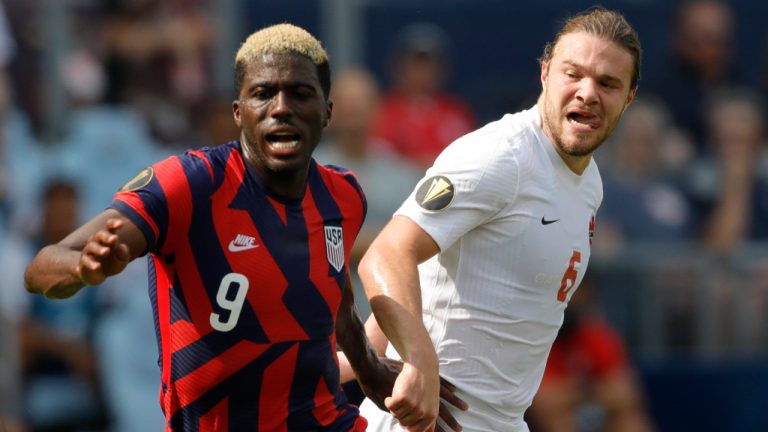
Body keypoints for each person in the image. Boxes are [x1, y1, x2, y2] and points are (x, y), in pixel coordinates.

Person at [24, 23, 396, 431]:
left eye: (301, 93)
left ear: (327, 112)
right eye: (263, 93)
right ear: (239, 112)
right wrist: (83, 269)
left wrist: (370, 367)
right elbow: (42, 268)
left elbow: (336, 299)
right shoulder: (188, 184)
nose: (281, 108)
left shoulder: (343, 195)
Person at [354, 7, 640, 432]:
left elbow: (431, 282)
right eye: (573, 74)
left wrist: (351, 361)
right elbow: (387, 255)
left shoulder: (589, 183)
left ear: (628, 98)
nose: (587, 92)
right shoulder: (499, 156)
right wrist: (417, 359)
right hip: (426, 421)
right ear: (545, 73)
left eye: (607, 83)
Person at [526, 276, 656, 432]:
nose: (570, 306)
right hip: (548, 419)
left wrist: (578, 393)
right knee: (557, 419)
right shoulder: (535, 338)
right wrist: (594, 390)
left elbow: (626, 395)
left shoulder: (597, 334)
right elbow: (544, 402)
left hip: (597, 411)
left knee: (631, 421)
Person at [370, 22, 476, 169]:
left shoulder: (457, 112)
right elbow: (377, 159)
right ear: (400, 67)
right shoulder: (383, 111)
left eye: (429, 65)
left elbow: (471, 158)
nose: (423, 72)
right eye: (416, 64)